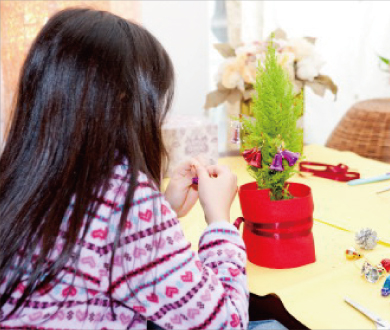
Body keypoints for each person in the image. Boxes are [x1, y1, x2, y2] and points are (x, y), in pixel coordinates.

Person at [0, 8, 249, 329]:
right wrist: (218, 221)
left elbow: (94, 252)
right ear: (126, 102)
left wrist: (164, 209)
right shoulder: (124, 200)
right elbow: (227, 322)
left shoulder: (21, 173)